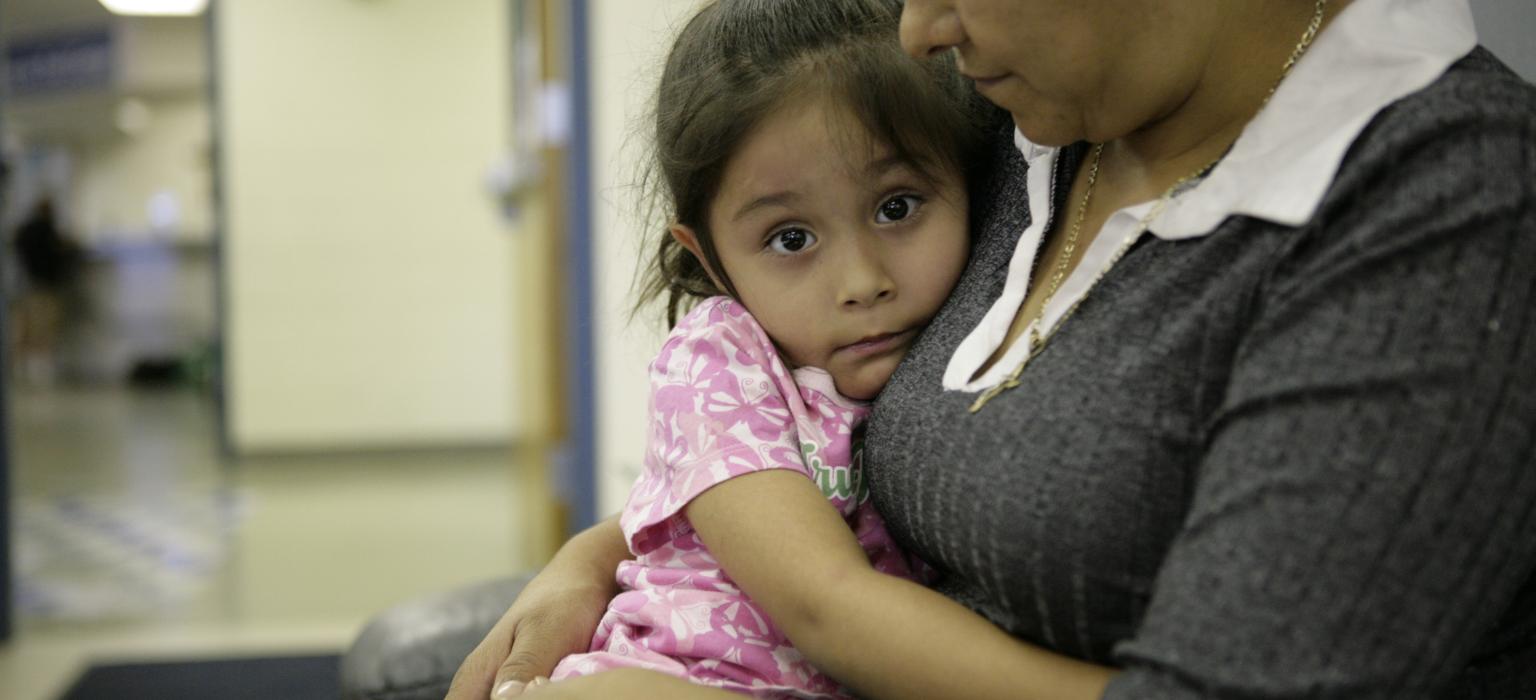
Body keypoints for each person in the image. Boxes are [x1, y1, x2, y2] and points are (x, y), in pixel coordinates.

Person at [447, 0, 1536, 697]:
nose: (918, 31)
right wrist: (601, 553)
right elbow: (811, 475)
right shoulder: (1028, 134)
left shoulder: (1443, 200)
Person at [500, 2, 1096, 698]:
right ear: (713, 258)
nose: (862, 282)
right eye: (791, 239)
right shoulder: (718, 363)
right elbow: (824, 604)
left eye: (897, 207)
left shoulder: (981, 312)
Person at [11, 198, 85, 386]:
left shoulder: (26, 230)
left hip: (28, 284)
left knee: (27, 328)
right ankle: (38, 371)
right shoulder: (48, 232)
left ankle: (24, 369)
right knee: (42, 328)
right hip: (44, 286)